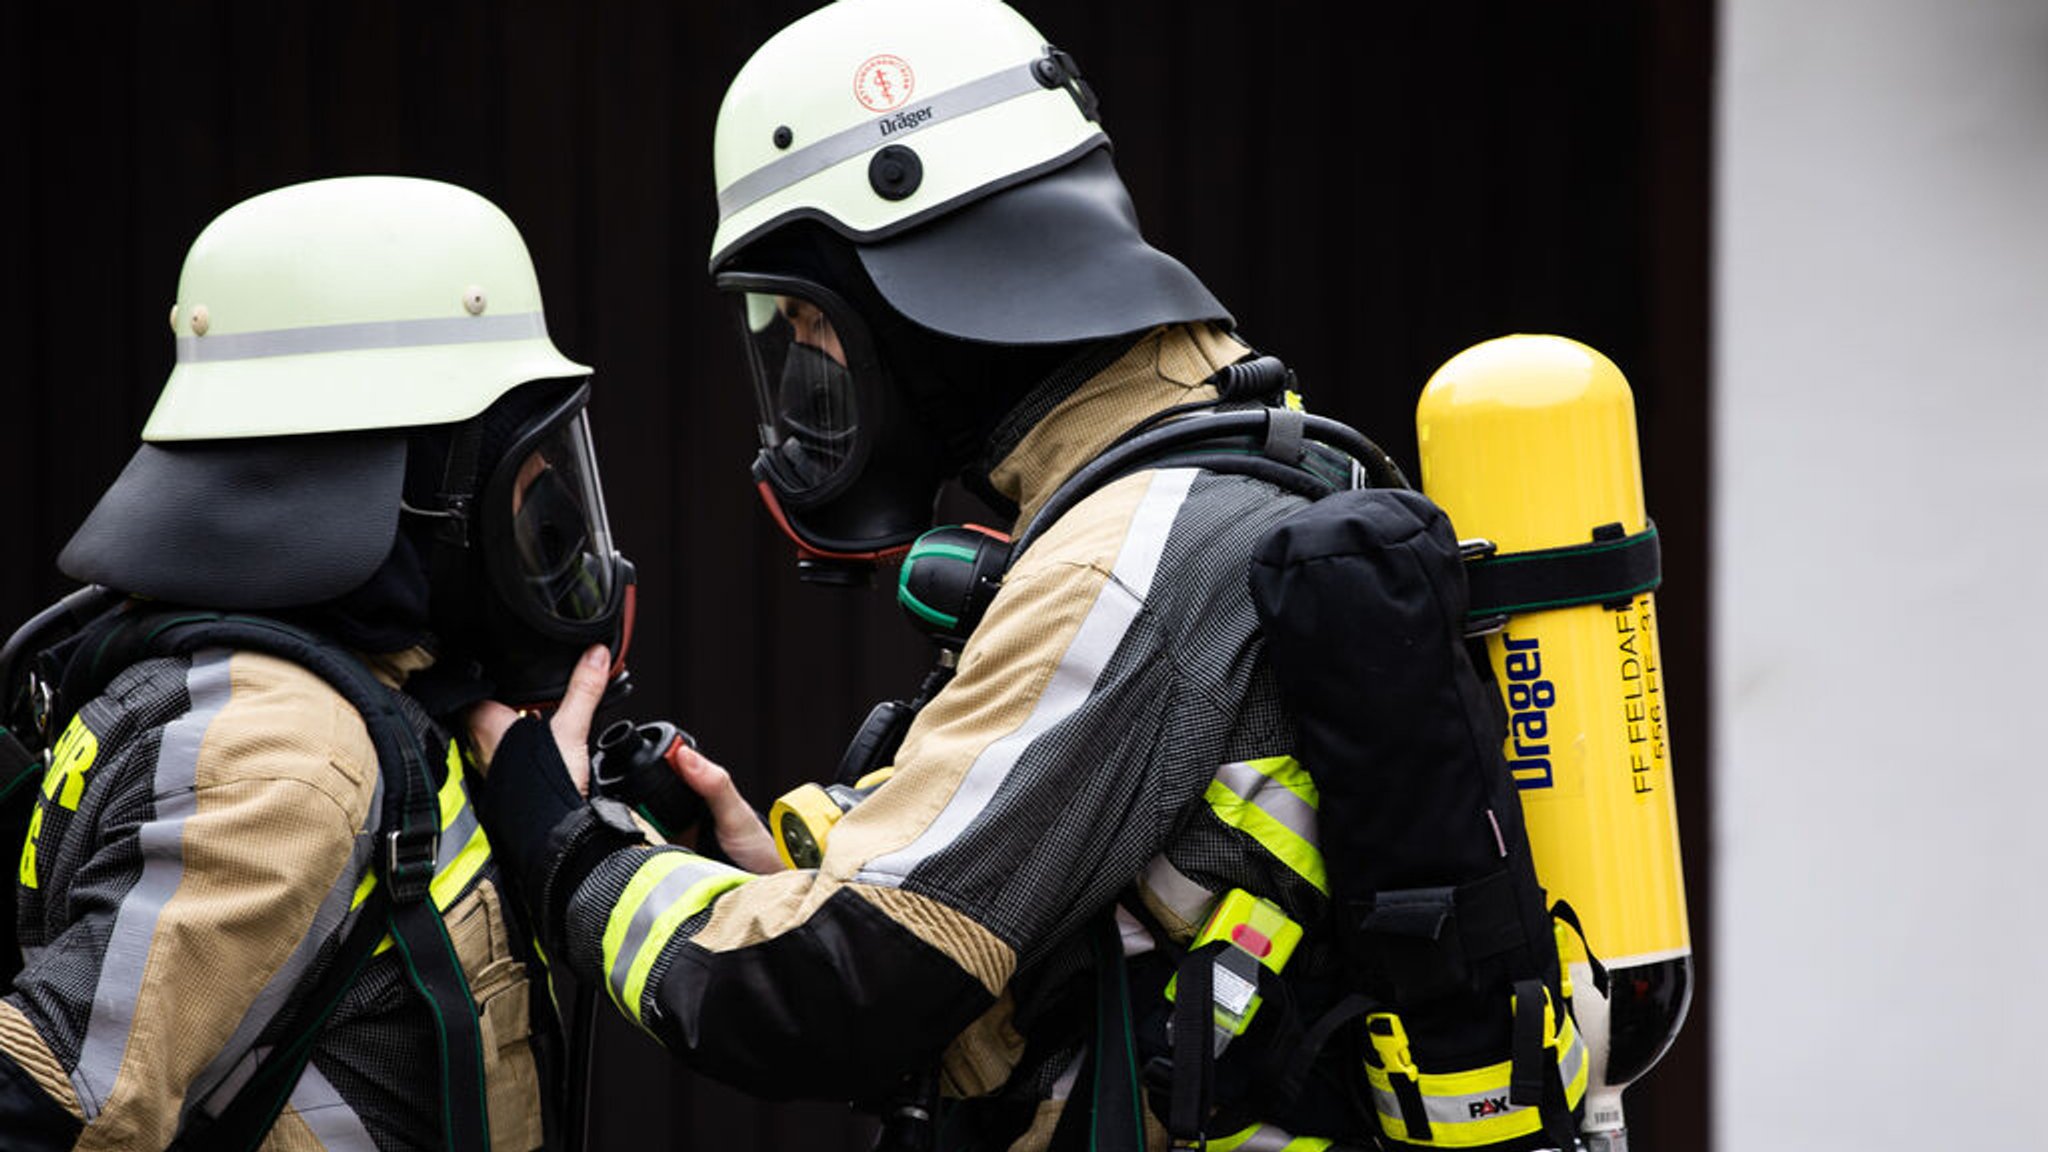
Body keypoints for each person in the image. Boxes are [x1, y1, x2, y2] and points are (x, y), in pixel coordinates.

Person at [467, 0, 1388, 1148]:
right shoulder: (1254, 458)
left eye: (805, 318)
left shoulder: (1126, 564)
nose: (802, 364)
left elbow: (825, 992)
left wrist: (562, 842)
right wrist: (764, 869)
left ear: (927, 279)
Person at [0, 174, 636, 1151]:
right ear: (405, 479)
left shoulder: (363, 693)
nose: (543, 527)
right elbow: (49, 1106)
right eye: (522, 480)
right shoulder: (289, 751)